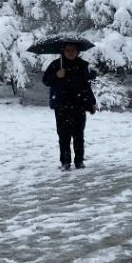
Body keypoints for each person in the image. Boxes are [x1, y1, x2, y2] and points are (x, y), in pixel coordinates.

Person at [42, 42, 97, 171]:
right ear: (63, 51)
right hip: (61, 106)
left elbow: (89, 83)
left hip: (79, 104)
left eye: (73, 50)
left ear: (78, 51)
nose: (70, 52)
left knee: (79, 135)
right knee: (63, 136)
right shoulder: (56, 65)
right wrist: (56, 75)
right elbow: (45, 81)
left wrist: (92, 101)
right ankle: (65, 162)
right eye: (68, 50)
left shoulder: (83, 65)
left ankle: (79, 161)